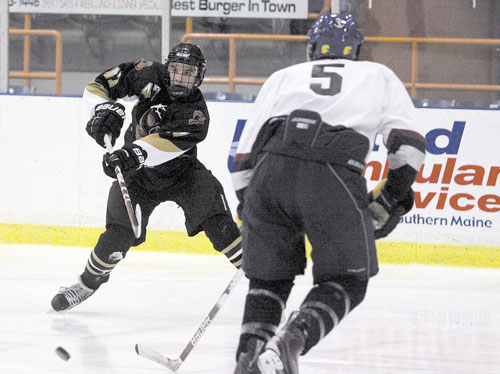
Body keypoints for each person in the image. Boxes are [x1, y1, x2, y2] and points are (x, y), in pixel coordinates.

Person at [230, 13, 426, 374]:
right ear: (357, 49)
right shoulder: (377, 74)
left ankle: (248, 361)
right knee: (348, 279)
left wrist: (250, 208)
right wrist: (388, 201)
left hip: (269, 174)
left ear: (311, 48)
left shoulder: (282, 77)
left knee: (268, 281)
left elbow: (241, 161)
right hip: (334, 172)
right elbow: (410, 147)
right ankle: (294, 337)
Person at [51, 42, 242, 312]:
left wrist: (130, 154)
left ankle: (260, 279)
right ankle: (86, 284)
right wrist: (100, 111)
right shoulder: (146, 74)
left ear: (199, 77)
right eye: (176, 70)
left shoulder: (196, 115)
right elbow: (99, 85)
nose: (181, 78)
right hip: (138, 177)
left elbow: (163, 146)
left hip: (183, 173)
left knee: (222, 229)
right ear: (167, 67)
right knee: (117, 238)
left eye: (189, 73)